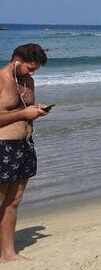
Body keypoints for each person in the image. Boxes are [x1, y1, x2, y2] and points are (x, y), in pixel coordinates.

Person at [0, 44, 50, 261]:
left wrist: (35, 111)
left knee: (14, 201)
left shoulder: (28, 80)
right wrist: (23, 114)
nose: (32, 73)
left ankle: (9, 253)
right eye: (29, 68)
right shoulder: (1, 79)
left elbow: (24, 108)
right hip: (3, 147)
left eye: (35, 70)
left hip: (25, 145)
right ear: (16, 61)